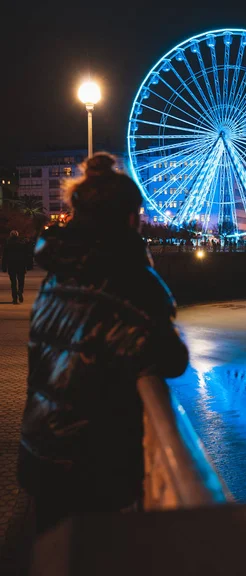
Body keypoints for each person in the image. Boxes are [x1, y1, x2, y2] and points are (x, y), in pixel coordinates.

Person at [17, 152, 189, 534]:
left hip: (40, 449)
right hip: (92, 460)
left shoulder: (55, 276)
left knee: (53, 566)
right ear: (129, 218)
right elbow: (173, 359)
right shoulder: (132, 281)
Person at [2, 230, 33, 304]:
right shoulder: (22, 244)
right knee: (21, 280)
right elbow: (27, 255)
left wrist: (4, 266)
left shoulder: (8, 244)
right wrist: (28, 265)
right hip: (21, 265)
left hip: (11, 265)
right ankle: (20, 291)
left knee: (13, 283)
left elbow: (5, 257)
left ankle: (15, 298)